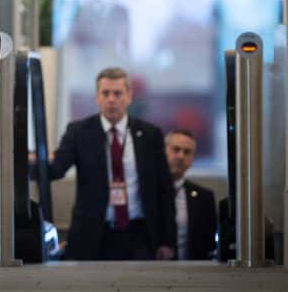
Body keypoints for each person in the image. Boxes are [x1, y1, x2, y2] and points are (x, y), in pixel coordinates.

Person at [39, 67, 176, 260]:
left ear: (129, 96)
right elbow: (56, 169)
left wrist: (168, 240)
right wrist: (28, 161)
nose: (111, 99)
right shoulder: (79, 132)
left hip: (139, 235)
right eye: (105, 93)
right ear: (97, 97)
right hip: (92, 235)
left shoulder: (150, 135)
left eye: (117, 93)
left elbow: (165, 189)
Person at [164, 129, 217, 260]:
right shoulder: (144, 194)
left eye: (187, 152)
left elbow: (208, 245)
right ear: (163, 152)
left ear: (192, 159)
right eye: (176, 149)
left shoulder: (204, 198)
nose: (181, 156)